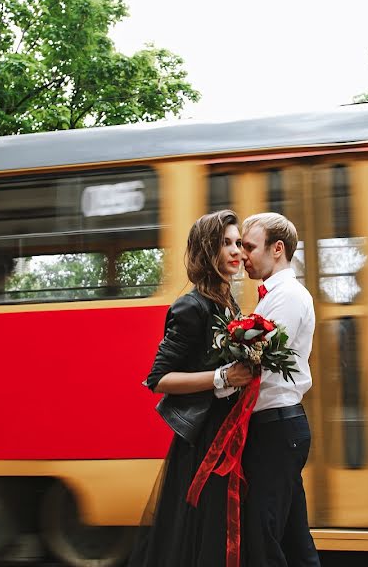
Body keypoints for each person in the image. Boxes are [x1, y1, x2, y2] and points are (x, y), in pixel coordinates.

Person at [130, 209, 254, 567]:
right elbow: (158, 379)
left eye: (238, 243)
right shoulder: (190, 307)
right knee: (202, 536)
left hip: (228, 433)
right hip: (205, 442)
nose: (236, 252)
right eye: (225, 244)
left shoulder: (228, 305)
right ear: (206, 251)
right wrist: (223, 378)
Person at [239, 212, 320, 567]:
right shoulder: (275, 295)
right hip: (278, 427)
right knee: (292, 538)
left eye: (249, 246)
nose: (242, 255)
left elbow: (262, 359)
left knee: (262, 534)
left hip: (275, 427)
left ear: (277, 249)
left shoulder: (286, 296)